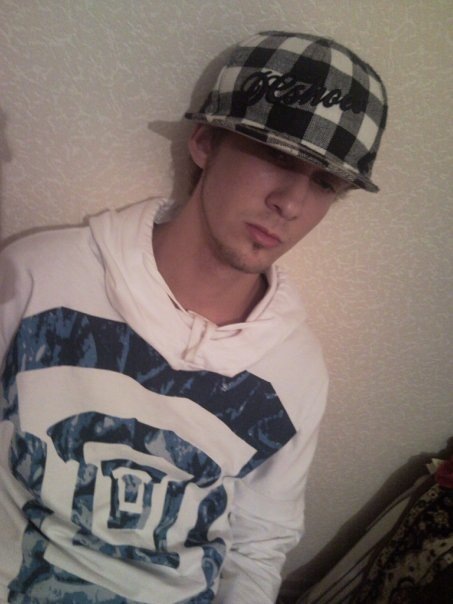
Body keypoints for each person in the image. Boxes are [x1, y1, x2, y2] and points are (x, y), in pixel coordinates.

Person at [0, 31, 387, 603]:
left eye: (325, 183)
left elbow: (258, 546)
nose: (291, 203)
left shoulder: (295, 370)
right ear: (204, 142)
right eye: (277, 157)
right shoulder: (40, 276)